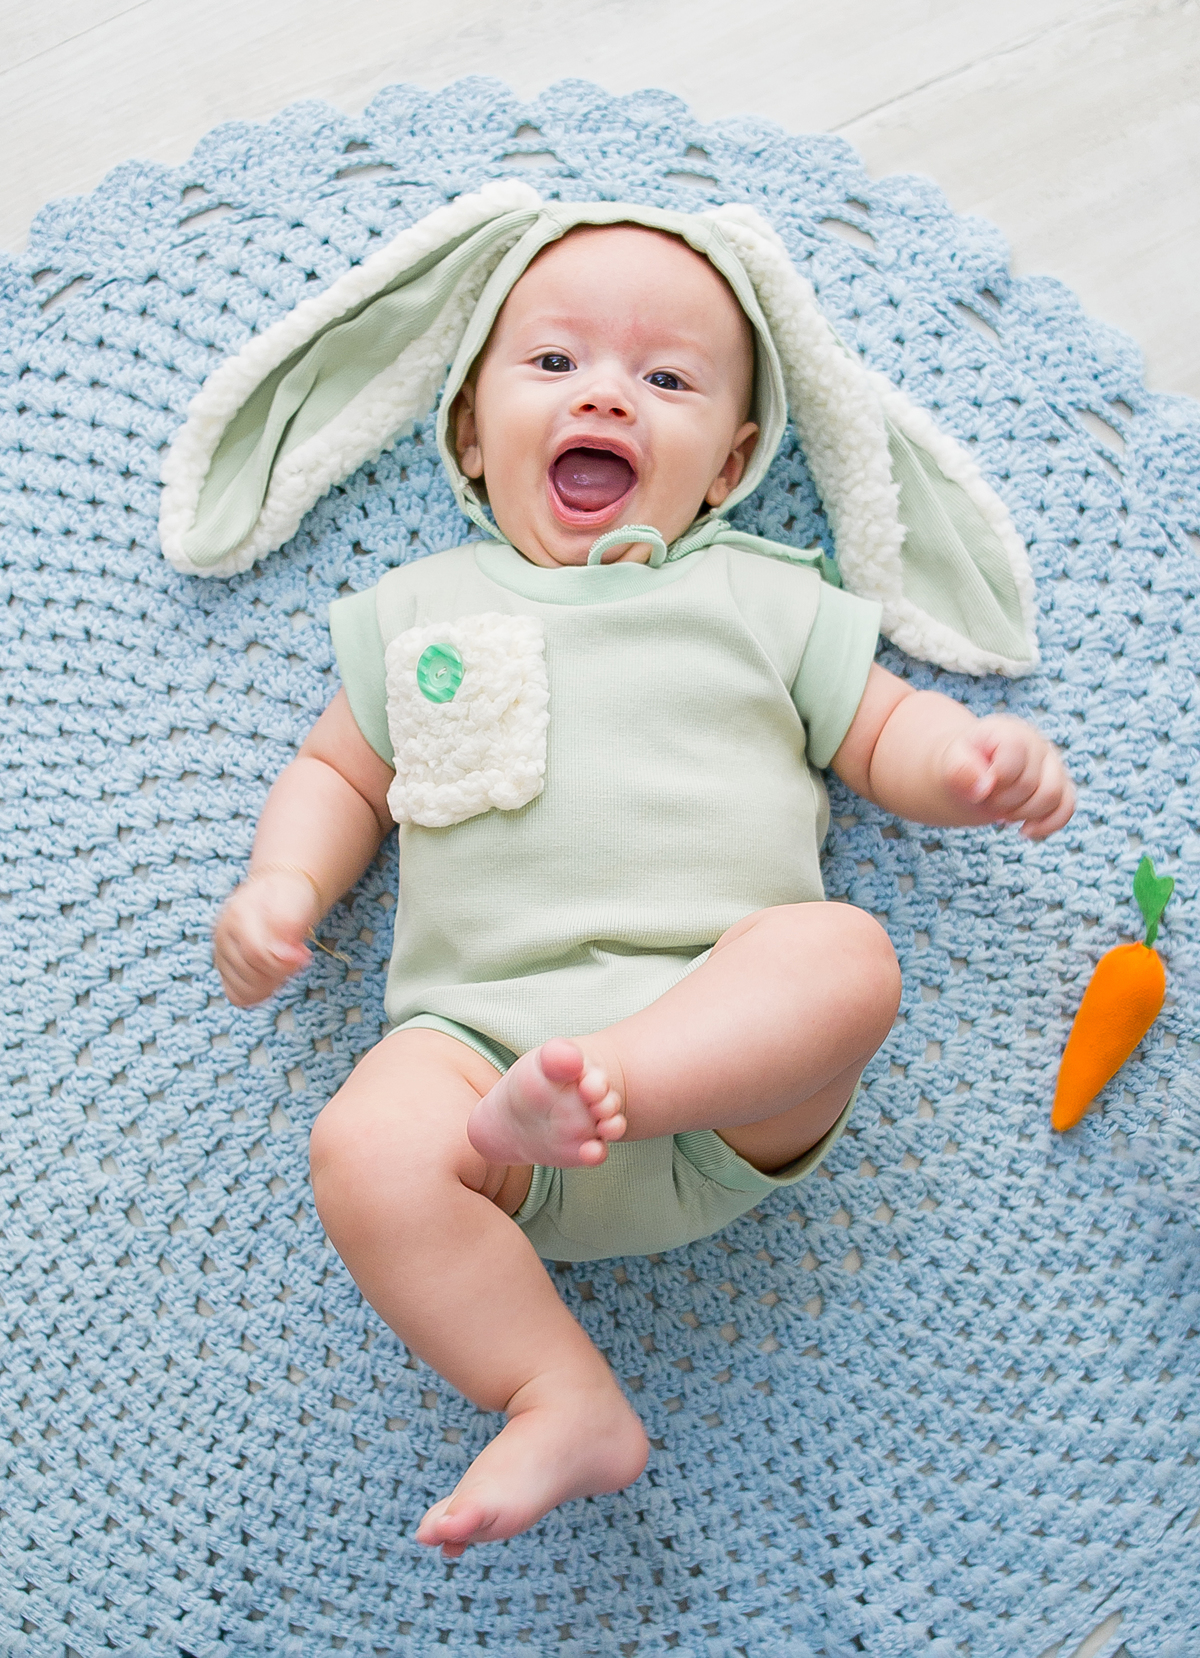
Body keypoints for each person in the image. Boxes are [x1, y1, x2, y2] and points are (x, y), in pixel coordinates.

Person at [171, 194, 1073, 1558]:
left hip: (728, 1078)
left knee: (843, 954)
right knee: (360, 1140)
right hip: (481, 1096)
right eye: (554, 362)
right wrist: (281, 887)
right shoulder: (423, 610)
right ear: (471, 433)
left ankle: (609, 1082)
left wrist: (969, 766)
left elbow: (885, 731)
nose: (607, 395)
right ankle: (557, 1391)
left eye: (667, 380)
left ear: (731, 463)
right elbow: (339, 777)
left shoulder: (768, 599)